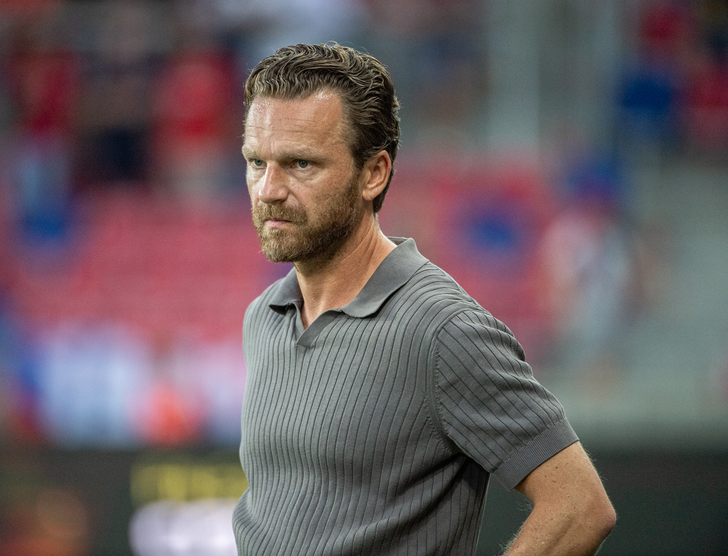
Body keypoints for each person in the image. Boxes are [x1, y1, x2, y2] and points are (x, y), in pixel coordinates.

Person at [232, 43, 616, 556]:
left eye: (300, 163)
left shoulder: (443, 331)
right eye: (256, 162)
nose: (267, 190)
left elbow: (580, 507)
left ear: (374, 173)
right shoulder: (264, 316)